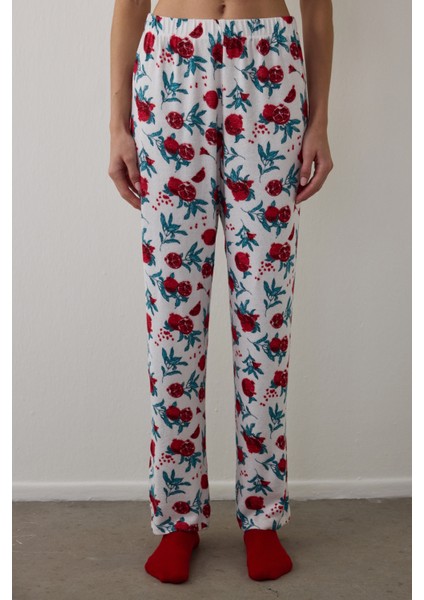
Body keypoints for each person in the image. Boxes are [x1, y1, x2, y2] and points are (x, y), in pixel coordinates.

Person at [109, 0, 334, 584]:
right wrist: (117, 125)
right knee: (172, 316)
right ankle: (177, 516)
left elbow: (318, 8)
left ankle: (262, 514)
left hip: (269, 70)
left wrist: (319, 121)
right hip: (170, 72)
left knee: (265, 314)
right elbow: (130, 5)